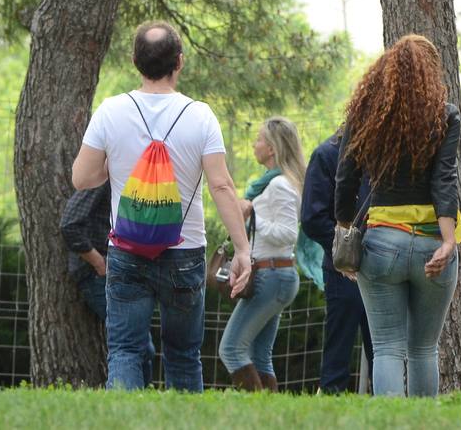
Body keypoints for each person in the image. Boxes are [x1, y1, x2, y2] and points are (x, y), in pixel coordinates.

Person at [71, 21, 251, 392]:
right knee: (184, 355)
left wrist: (116, 166)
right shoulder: (200, 115)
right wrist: (243, 249)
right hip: (184, 251)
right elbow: (220, 184)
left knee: (124, 350)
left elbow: (81, 178)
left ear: (135, 62)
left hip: (126, 249)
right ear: (179, 62)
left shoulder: (110, 111)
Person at [334, 35, 461, 398]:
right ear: (432, 74)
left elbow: (345, 177)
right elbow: (444, 180)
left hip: (381, 244)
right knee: (423, 348)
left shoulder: (365, 113)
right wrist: (448, 242)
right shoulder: (445, 115)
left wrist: (345, 231)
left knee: (386, 348)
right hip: (431, 242)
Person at [218, 117, 305, 392]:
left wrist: (253, 214)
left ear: (272, 148)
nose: (254, 145)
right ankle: (268, 414)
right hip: (275, 275)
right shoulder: (275, 184)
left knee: (231, 349)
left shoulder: (280, 185)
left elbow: (289, 234)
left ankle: (252, 413)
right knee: (259, 355)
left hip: (272, 275)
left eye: (258, 140)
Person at [300, 126, 373, 395]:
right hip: (343, 270)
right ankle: (330, 406)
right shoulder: (326, 155)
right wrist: (345, 251)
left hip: (382, 266)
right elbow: (312, 217)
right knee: (338, 352)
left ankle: (386, 410)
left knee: (384, 350)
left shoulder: (381, 155)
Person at [60, 181, 155, 385]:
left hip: (125, 269)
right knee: (135, 345)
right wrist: (99, 263)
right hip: (99, 273)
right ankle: (132, 401)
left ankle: (137, 401)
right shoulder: (102, 177)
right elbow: (70, 225)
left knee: (139, 346)